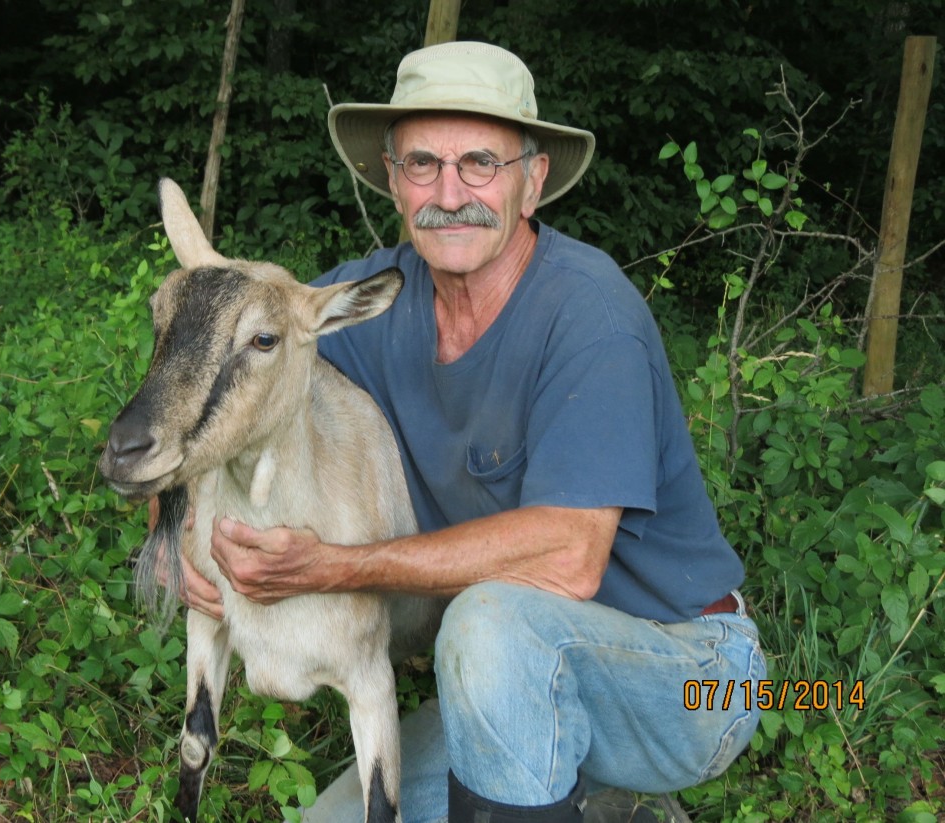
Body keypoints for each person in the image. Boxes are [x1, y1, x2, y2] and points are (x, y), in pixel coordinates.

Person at [178, 41, 766, 823]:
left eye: (480, 162)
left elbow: (567, 557)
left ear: (533, 181)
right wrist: (184, 530)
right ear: (392, 179)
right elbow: (213, 375)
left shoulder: (590, 315)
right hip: (514, 678)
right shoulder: (367, 304)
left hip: (692, 676)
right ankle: (602, 802)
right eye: (423, 163)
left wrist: (334, 566)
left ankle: (606, 786)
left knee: (487, 620)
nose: (450, 192)